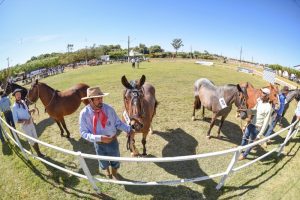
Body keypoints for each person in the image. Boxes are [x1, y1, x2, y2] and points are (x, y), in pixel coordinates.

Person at [79, 86, 133, 180]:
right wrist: (99, 138)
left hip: (113, 142)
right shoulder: (84, 114)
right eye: (98, 99)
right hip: (99, 144)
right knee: (103, 162)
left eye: (101, 98)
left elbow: (118, 123)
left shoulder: (109, 109)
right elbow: (83, 132)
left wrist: (129, 129)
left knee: (115, 161)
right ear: (90, 100)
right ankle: (108, 173)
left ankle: (115, 174)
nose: (101, 100)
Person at [239, 88, 273, 160]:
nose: (261, 94)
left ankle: (244, 155)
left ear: (267, 96)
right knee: (244, 137)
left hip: (257, 128)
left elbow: (266, 122)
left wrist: (260, 135)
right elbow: (254, 111)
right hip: (251, 124)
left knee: (251, 142)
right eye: (262, 92)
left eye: (263, 93)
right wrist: (245, 111)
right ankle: (240, 150)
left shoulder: (268, 107)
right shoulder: (259, 102)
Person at [11, 88, 45, 157]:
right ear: (15, 96)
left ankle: (39, 152)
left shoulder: (23, 102)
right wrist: (24, 120)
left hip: (31, 122)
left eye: (19, 94)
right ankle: (38, 153)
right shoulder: (14, 107)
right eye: (17, 94)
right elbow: (16, 120)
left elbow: (27, 112)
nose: (19, 95)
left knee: (35, 137)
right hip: (25, 126)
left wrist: (31, 110)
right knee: (31, 140)